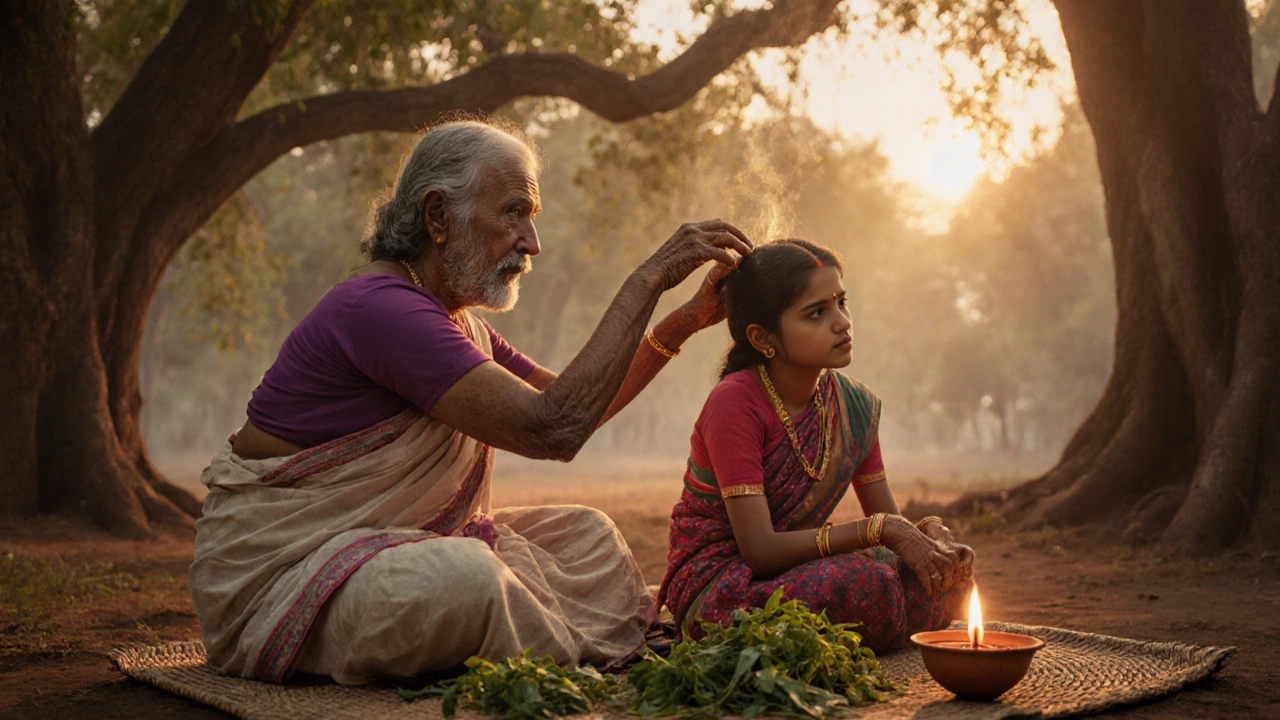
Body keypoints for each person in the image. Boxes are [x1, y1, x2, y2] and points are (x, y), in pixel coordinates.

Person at [189, 119, 752, 685]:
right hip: (286, 576)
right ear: (438, 216)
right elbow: (553, 427)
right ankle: (543, 641)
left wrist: (684, 321)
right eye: (514, 213)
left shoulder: (455, 321)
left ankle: (525, 632)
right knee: (470, 581)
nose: (532, 243)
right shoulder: (379, 309)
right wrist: (649, 279)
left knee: (590, 537)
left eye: (532, 217)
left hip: (392, 548)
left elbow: (578, 404)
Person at [656, 239, 973, 650]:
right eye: (817, 313)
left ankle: (886, 615)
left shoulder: (853, 405)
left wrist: (928, 540)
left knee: (945, 576)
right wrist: (879, 530)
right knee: (867, 586)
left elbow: (891, 528)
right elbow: (760, 550)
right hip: (725, 583)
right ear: (762, 337)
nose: (842, 322)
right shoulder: (735, 402)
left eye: (841, 303)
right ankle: (884, 619)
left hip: (800, 567)